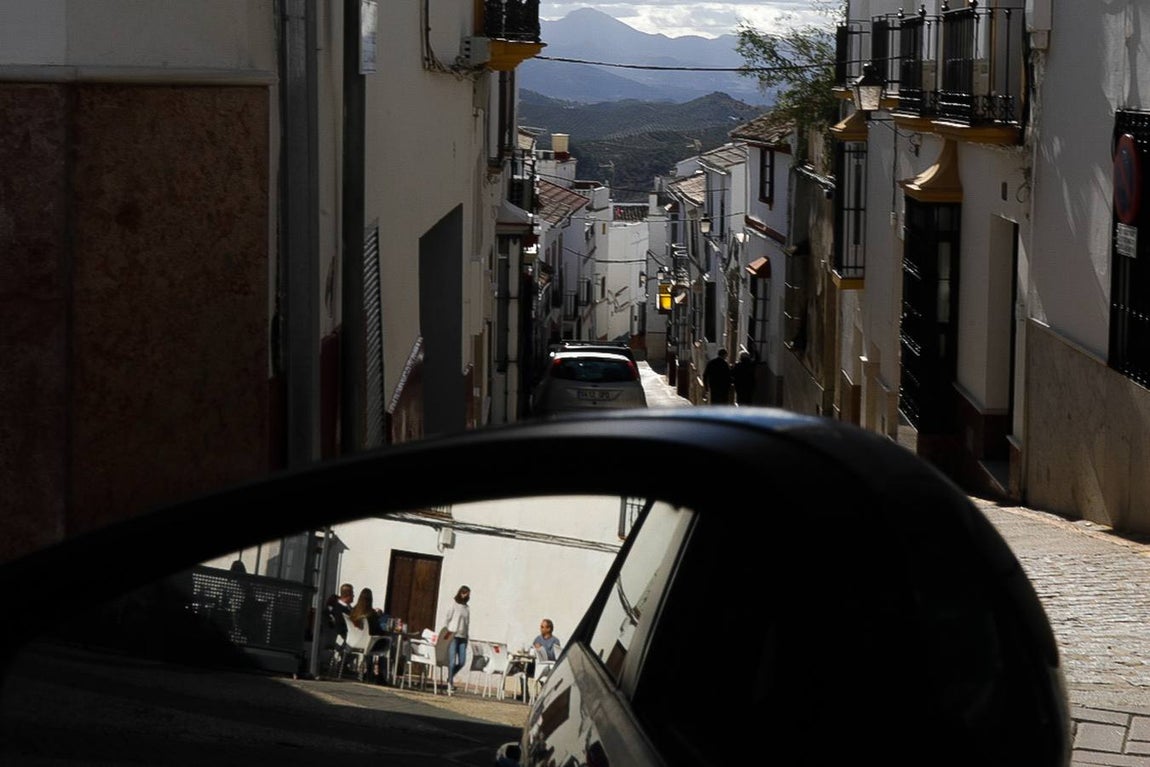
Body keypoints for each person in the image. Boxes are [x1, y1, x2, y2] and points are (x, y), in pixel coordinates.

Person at [441, 585, 471, 694]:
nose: (465, 595)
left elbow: (467, 624)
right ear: (460, 593)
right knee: (452, 661)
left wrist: (467, 637)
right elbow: (447, 618)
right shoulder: (454, 604)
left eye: (467, 593)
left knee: (462, 661)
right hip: (453, 636)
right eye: (464, 593)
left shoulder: (467, 608)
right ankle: (450, 683)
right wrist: (445, 632)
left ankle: (450, 676)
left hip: (462, 637)